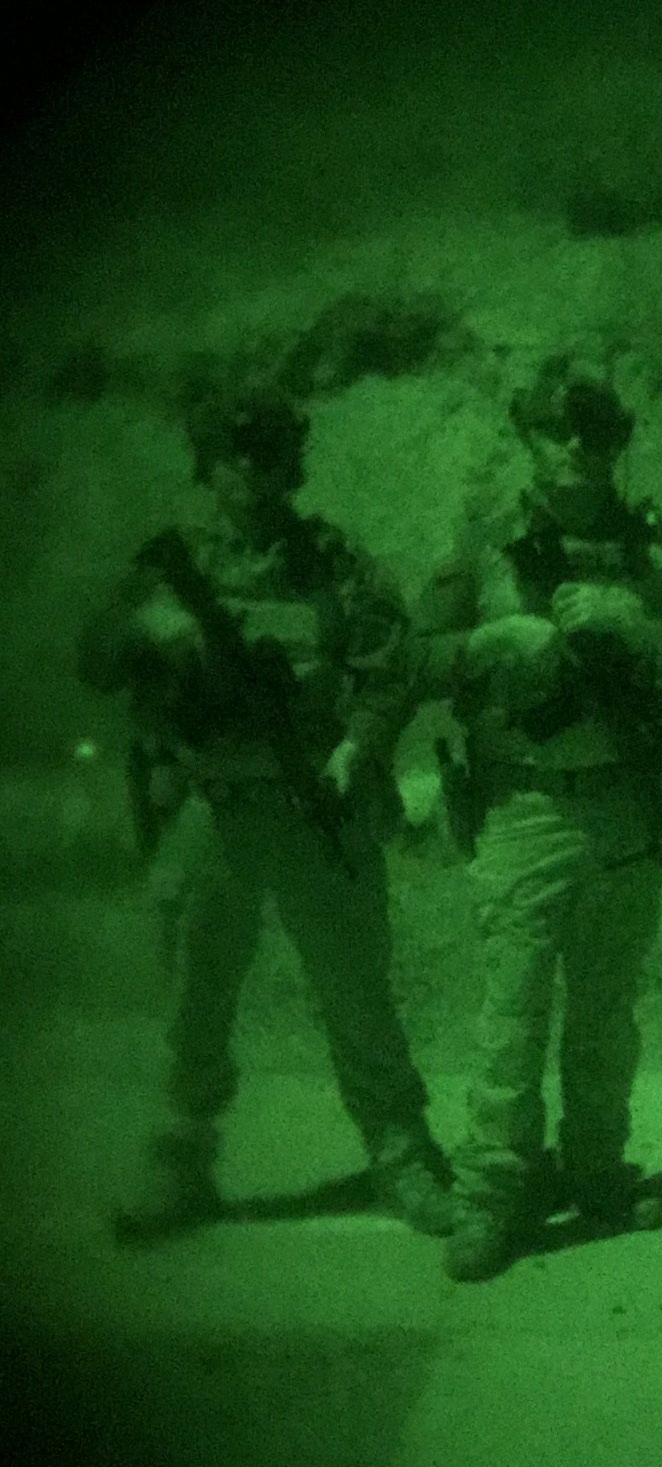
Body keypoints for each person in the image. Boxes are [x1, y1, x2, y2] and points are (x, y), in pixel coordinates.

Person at [78, 384, 452, 1240]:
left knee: (357, 993)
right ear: (209, 467)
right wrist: (151, 629)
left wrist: (359, 741)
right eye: (232, 455)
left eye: (267, 454)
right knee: (196, 998)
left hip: (316, 802)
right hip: (214, 812)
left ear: (291, 465)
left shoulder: (333, 564)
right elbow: (93, 655)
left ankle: (400, 1156)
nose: (249, 471)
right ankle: (183, 1159)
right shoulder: (172, 569)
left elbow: (392, 664)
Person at [412, 355, 662, 1283]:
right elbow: (399, 657)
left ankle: (596, 1171)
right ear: (530, 440)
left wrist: (642, 626)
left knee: (605, 1015)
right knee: (510, 1016)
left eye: (594, 437)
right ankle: (490, 1197)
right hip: (525, 810)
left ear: (616, 448)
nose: (576, 454)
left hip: (625, 812)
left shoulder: (650, 556)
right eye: (556, 434)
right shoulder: (484, 545)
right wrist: (486, 643)